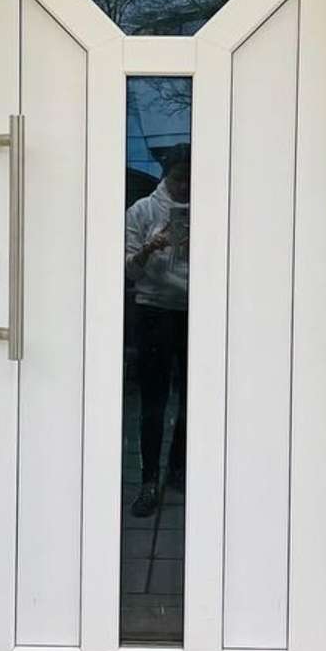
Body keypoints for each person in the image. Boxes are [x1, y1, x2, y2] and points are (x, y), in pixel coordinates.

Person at [124, 145, 190, 518]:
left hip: (196, 313)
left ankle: (178, 470)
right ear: (166, 175)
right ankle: (149, 480)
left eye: (190, 179)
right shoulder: (143, 211)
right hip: (153, 311)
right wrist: (148, 250)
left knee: (194, 398)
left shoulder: (212, 210)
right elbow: (128, 271)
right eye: (179, 178)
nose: (184, 187)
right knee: (153, 401)